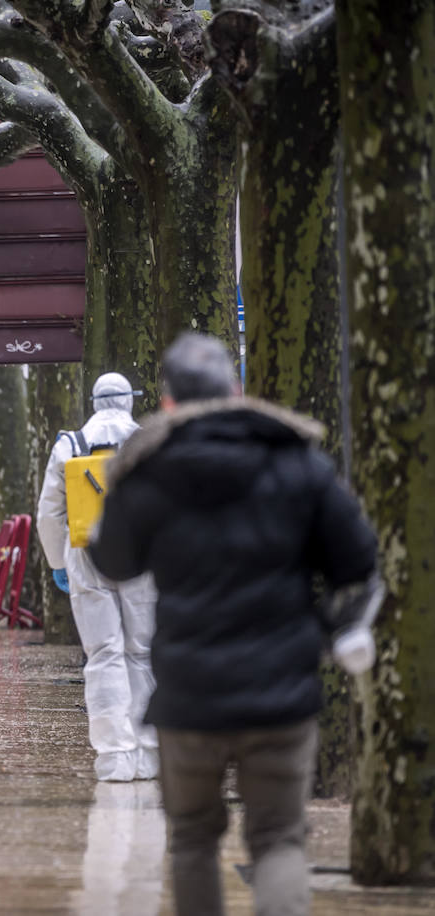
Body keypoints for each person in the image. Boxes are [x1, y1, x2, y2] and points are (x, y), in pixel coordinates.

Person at [88, 332, 379, 916]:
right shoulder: (297, 459)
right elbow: (357, 559)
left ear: (168, 401)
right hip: (282, 690)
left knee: (193, 838)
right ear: (235, 389)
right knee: (278, 838)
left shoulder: (151, 469)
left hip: (189, 695)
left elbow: (113, 561)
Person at [35, 371, 159, 782]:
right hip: (142, 556)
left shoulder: (69, 445)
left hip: (86, 553)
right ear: (128, 401)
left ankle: (114, 758)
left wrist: (57, 563)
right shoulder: (149, 442)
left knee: (103, 653)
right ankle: (147, 755)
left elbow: (49, 513)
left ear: (94, 401)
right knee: (142, 652)